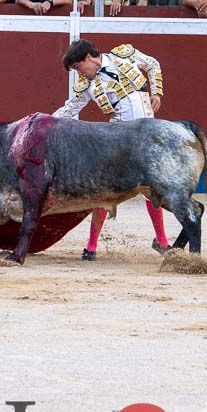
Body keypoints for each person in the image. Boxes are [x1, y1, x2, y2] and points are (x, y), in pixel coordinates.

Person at [52, 38, 171, 260]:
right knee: (104, 191)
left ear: (88, 57)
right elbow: (70, 108)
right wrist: (46, 122)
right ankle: (92, 245)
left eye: (79, 67)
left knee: (152, 189)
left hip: (146, 136)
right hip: (118, 141)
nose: (80, 74)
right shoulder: (87, 85)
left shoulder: (124, 55)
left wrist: (157, 93)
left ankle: (162, 241)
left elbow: (153, 64)